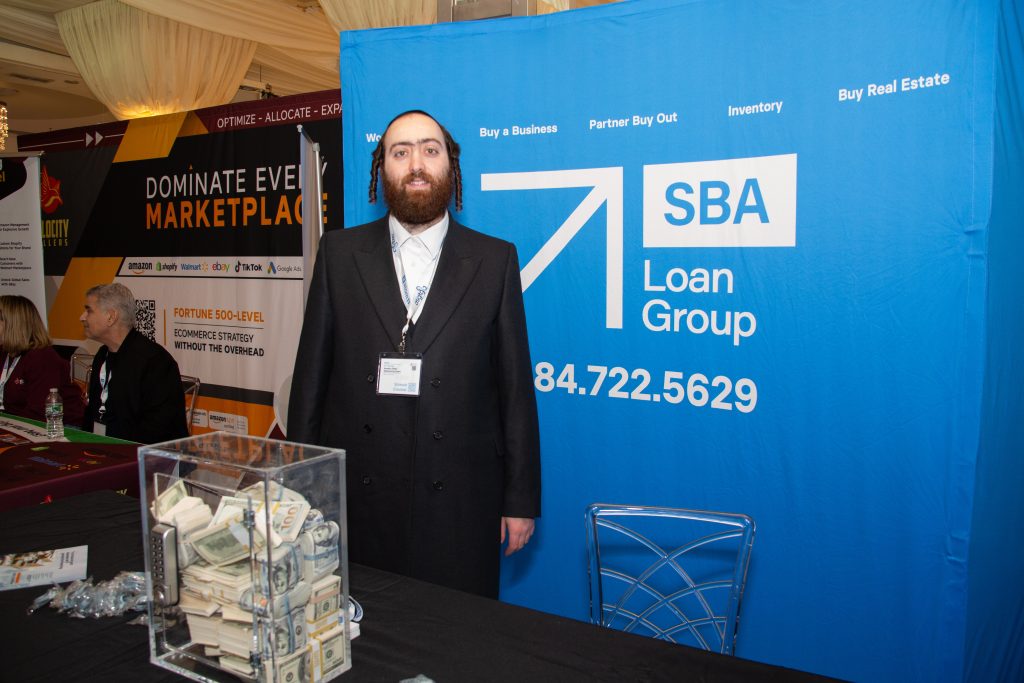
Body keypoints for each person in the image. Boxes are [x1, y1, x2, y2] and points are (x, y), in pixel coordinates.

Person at [288, 110, 541, 598]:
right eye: (400, 152)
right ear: (382, 169)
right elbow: (310, 380)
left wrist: (520, 500)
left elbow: (514, 391)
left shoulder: (495, 260)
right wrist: (300, 481)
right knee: (364, 627)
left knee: (456, 631)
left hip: (461, 500)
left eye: (430, 149)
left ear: (451, 165)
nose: (416, 164)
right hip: (359, 500)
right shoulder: (339, 254)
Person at [79, 283, 189, 443]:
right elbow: (92, 415)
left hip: (143, 454)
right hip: (102, 448)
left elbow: (159, 431)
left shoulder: (155, 362)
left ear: (111, 317)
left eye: (89, 310)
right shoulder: (102, 355)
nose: (82, 317)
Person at [0, 295, 85, 425]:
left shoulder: (42, 357)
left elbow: (38, 412)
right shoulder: (5, 352)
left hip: (59, 427)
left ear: (13, 324)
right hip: (17, 424)